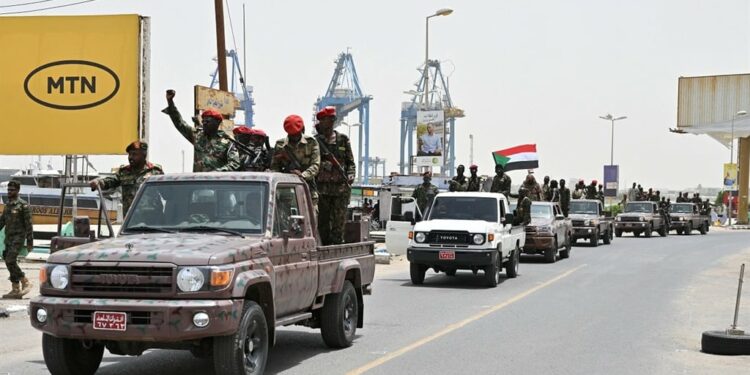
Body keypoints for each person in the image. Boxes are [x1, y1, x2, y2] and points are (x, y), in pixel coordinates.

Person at [163, 89, 240, 172]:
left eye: (208, 121)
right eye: (203, 121)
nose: (204, 124)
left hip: (217, 182)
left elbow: (235, 164)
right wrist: (170, 101)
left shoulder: (227, 141)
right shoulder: (197, 136)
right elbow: (180, 124)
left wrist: (217, 173)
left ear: (217, 123)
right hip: (198, 182)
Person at [314, 106, 356, 245]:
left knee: (339, 221)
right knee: (323, 221)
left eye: (333, 119)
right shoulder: (315, 142)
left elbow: (351, 163)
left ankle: (337, 245)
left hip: (340, 189)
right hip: (322, 189)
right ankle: (325, 245)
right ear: (321, 121)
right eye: (328, 119)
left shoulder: (343, 139)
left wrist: (350, 175)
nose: (331, 122)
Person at [90, 141, 164, 215]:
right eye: (129, 154)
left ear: (143, 155)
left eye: (134, 154)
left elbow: (167, 194)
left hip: (153, 219)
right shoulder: (124, 172)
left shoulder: (155, 171)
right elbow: (111, 181)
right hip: (131, 219)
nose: (130, 157)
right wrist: (99, 182)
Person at [271, 114, 321, 211]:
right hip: (285, 191)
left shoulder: (311, 142)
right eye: (291, 135)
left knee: (311, 220)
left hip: (308, 189)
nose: (294, 137)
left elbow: (316, 165)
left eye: (296, 134)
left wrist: (302, 175)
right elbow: (275, 167)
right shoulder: (280, 145)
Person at [0, 180, 33, 299]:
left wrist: (30, 241)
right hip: (9, 238)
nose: (9, 192)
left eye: (12, 190)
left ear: (18, 191)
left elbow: (29, 225)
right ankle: (15, 289)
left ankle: (25, 281)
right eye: (8, 190)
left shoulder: (23, 205)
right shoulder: (8, 205)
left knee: (10, 260)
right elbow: (2, 221)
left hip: (18, 238)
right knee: (8, 261)